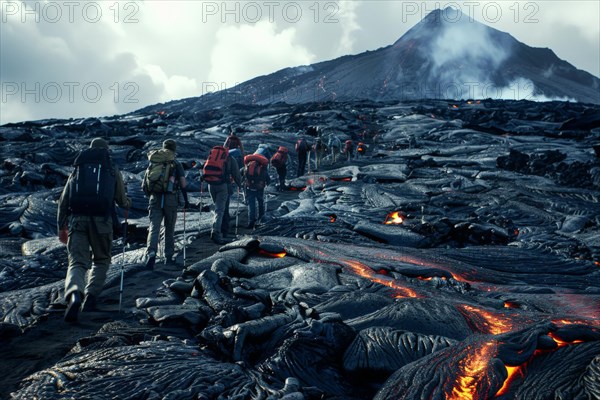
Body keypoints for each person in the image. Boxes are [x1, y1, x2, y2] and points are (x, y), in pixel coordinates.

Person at [57, 137, 131, 322]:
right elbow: (121, 199)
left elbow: (63, 201)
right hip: (102, 223)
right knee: (101, 260)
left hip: (78, 221)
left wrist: (61, 226)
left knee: (77, 262)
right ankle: (90, 297)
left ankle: (74, 293)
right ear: (106, 150)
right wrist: (127, 203)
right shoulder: (111, 169)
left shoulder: (77, 169)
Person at [143, 139, 189, 269]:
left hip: (155, 198)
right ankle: (168, 257)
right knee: (169, 229)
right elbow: (183, 184)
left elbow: (145, 184)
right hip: (170, 199)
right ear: (174, 149)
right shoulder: (176, 163)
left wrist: (151, 196)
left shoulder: (153, 161)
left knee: (154, 227)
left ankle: (151, 253)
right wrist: (185, 201)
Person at [203, 146, 242, 245]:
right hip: (222, 186)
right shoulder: (230, 159)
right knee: (220, 210)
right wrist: (240, 185)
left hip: (210, 185)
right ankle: (216, 233)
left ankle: (223, 230)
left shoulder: (212, 157)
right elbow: (236, 174)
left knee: (218, 208)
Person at [243, 152, 270, 229]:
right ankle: (261, 220)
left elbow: (241, 175)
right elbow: (268, 180)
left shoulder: (246, 167)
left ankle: (251, 222)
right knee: (260, 203)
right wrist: (266, 184)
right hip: (259, 189)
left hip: (249, 188)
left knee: (251, 206)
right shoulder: (262, 170)